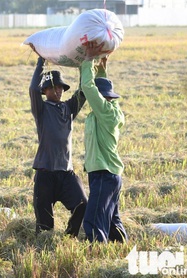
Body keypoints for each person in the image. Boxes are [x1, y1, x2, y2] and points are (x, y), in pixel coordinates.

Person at [29, 54, 88, 236]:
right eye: (53, 88)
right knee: (45, 226)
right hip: (45, 174)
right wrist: (40, 63)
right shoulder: (41, 109)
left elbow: (84, 90)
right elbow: (32, 89)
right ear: (45, 91)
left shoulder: (68, 109)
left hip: (66, 174)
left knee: (83, 205)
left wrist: (85, 65)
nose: (58, 91)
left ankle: (69, 236)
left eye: (61, 87)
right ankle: (45, 245)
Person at [80, 41, 127, 243]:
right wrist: (102, 68)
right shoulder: (112, 110)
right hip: (108, 175)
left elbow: (88, 87)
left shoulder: (106, 112)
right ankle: (121, 247)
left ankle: (97, 253)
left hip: (103, 174)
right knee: (111, 221)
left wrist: (89, 60)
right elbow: (99, 88)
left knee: (93, 221)